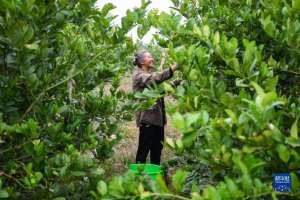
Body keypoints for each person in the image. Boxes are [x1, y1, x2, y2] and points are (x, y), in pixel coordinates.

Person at [132, 51, 178, 165]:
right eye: (149, 57)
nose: (152, 58)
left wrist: (176, 83)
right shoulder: (139, 76)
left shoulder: (149, 75)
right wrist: (174, 68)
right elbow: (155, 78)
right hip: (147, 121)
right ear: (142, 61)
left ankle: (155, 178)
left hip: (158, 121)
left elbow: (160, 91)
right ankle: (137, 180)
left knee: (157, 152)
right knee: (143, 153)